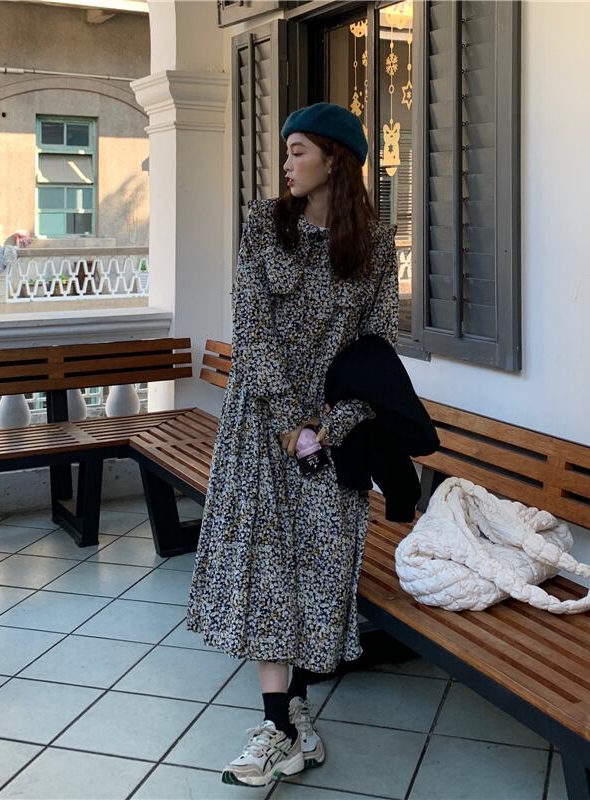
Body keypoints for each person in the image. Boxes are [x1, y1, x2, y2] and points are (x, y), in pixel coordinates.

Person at [185, 101, 400, 788]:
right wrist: (287, 423)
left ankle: (294, 713)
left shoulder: (375, 245)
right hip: (261, 427)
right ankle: (277, 725)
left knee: (320, 568)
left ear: (335, 159)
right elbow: (251, 329)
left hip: (334, 436)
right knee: (267, 569)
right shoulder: (264, 225)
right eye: (287, 151)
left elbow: (379, 348)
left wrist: (336, 423)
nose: (286, 163)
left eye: (298, 150)